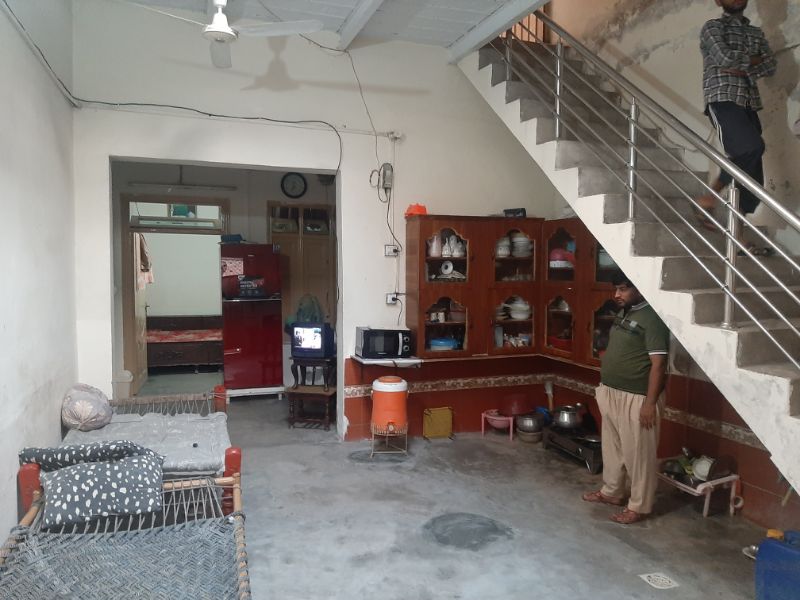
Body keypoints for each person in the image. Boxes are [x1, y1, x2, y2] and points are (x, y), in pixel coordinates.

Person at [582, 272, 670, 524]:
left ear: (639, 288)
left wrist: (649, 404)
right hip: (611, 391)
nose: (616, 295)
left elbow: (659, 364)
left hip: (637, 397)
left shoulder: (653, 319)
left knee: (638, 454)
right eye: (616, 289)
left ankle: (639, 506)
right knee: (613, 449)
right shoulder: (625, 312)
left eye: (623, 289)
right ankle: (612, 492)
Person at [695, 0, 776, 255]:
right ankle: (709, 196)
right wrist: (752, 63)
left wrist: (740, 68)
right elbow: (723, 57)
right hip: (723, 97)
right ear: (718, 1)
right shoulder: (712, 27)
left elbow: (770, 65)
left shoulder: (756, 32)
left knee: (753, 178)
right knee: (751, 147)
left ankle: (737, 238)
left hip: (749, 103)